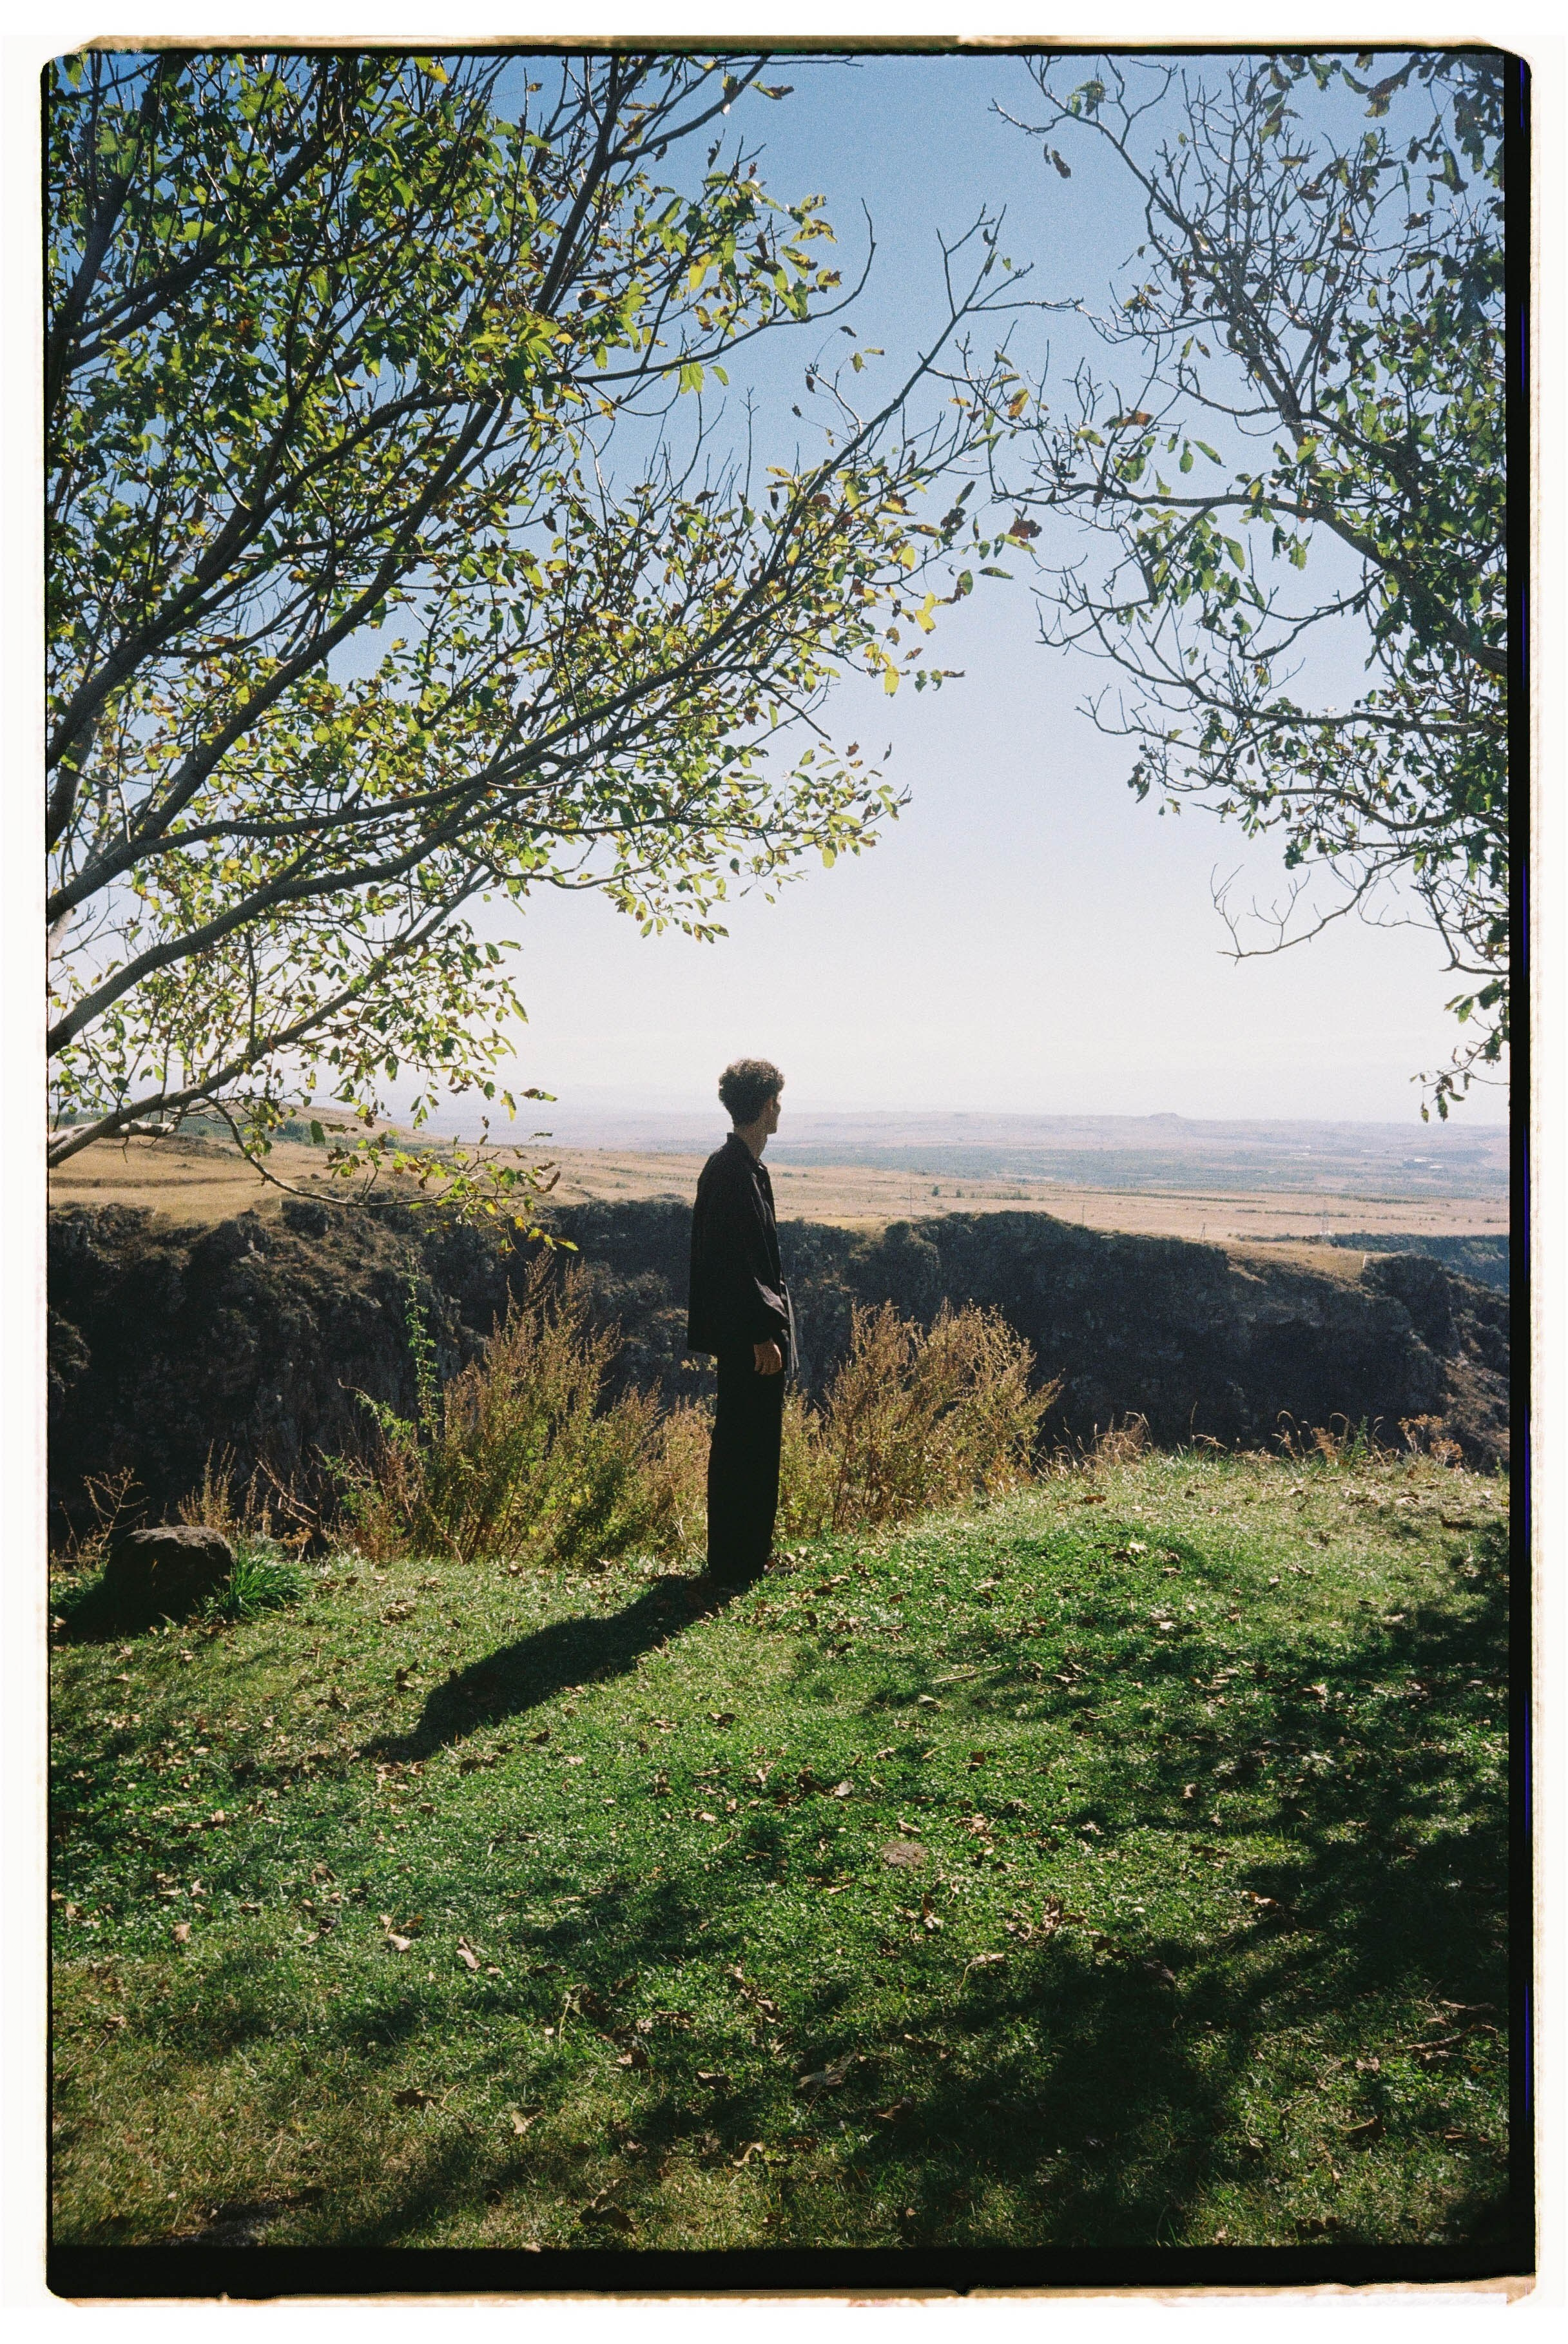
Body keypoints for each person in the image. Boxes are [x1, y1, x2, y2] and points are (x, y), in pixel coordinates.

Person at [686, 1058, 796, 1589]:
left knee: (751, 1442)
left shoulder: (740, 1167)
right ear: (765, 1104)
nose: (780, 1107)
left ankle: (747, 1555)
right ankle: (735, 1561)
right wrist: (759, 1331)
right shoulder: (732, 1172)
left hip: (750, 1333)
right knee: (743, 1445)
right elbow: (730, 1263)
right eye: (776, 1098)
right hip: (749, 1338)